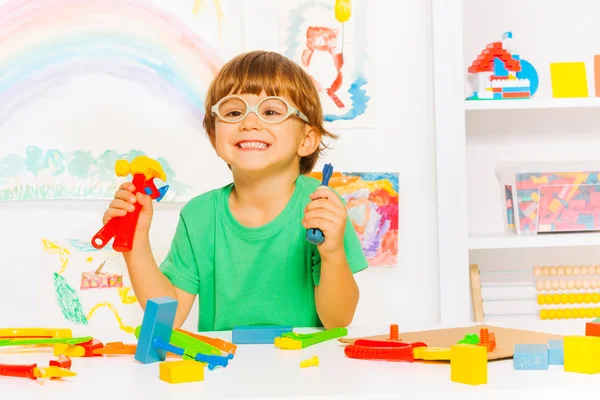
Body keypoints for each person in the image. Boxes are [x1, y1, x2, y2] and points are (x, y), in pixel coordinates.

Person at [102, 50, 368, 331]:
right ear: (216, 138)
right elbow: (169, 317)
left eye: (271, 111)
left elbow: (338, 320)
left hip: (306, 368)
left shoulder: (320, 206)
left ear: (307, 139)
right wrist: (135, 244)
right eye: (233, 112)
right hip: (225, 369)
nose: (249, 122)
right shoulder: (199, 216)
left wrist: (333, 254)